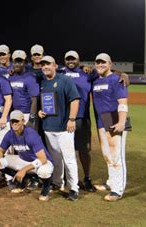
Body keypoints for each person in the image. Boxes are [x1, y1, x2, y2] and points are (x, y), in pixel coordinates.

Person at [38, 56, 81, 201]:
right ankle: (57, 182)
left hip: (64, 128)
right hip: (48, 127)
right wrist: (40, 111)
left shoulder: (65, 80)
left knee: (69, 159)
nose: (45, 67)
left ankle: (74, 187)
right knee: (55, 158)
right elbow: (44, 103)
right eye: (43, 65)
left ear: (55, 65)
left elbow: (74, 100)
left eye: (48, 64)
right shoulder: (43, 82)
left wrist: (72, 119)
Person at [0, 110, 54, 201]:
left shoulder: (31, 135)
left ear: (23, 121)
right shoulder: (10, 134)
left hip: (42, 162)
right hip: (24, 160)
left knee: (44, 172)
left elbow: (43, 159)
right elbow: (0, 151)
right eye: (12, 121)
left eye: (17, 121)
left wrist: (24, 170)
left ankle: (46, 187)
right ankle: (25, 180)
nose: (14, 123)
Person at [92, 53, 129, 202]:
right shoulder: (95, 79)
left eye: (103, 63)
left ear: (110, 64)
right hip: (102, 122)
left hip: (115, 121)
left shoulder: (117, 79)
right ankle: (111, 182)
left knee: (117, 157)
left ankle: (118, 190)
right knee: (107, 156)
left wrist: (121, 122)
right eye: (98, 62)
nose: (100, 65)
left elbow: (123, 102)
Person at [62, 50, 95, 192]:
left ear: (78, 60)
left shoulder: (87, 73)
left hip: (82, 117)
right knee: (64, 151)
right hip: (64, 119)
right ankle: (65, 178)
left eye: (73, 59)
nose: (70, 61)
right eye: (68, 59)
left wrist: (122, 73)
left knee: (83, 150)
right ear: (64, 61)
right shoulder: (60, 72)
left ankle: (87, 178)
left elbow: (107, 71)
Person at [9, 50, 40, 125]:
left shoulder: (30, 78)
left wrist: (32, 118)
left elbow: (34, 99)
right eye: (15, 62)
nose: (17, 64)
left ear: (25, 63)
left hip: (27, 114)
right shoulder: (11, 77)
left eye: (20, 62)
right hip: (15, 113)